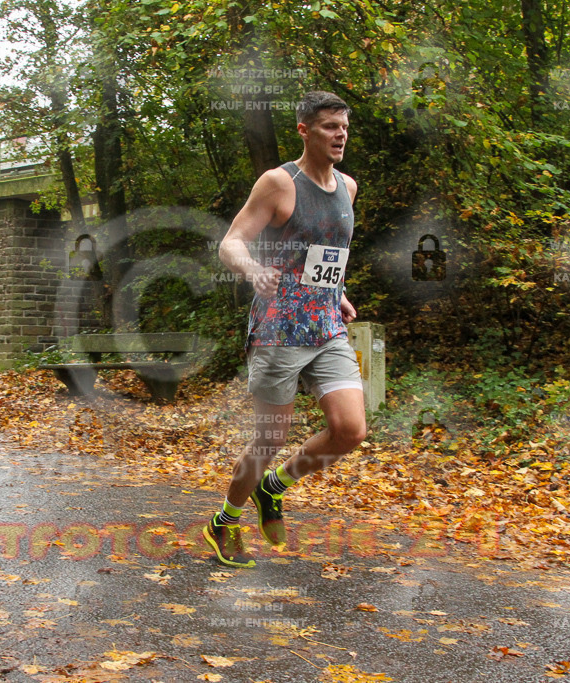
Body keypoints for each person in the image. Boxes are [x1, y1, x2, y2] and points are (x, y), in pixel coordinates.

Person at [203, 91, 367, 568]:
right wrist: (253, 270)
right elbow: (231, 242)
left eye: (344, 127)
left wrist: (337, 292)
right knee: (269, 440)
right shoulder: (279, 183)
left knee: (350, 430)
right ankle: (225, 521)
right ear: (304, 131)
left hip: (326, 325)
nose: (340, 135)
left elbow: (327, 253)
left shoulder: (348, 187)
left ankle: (274, 486)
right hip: (279, 329)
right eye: (330, 127)